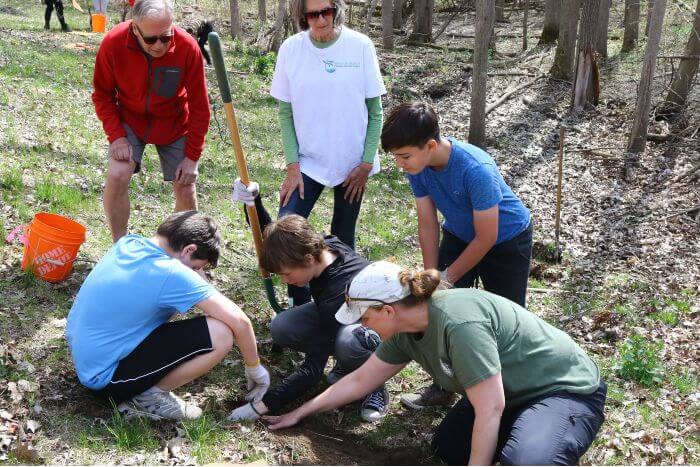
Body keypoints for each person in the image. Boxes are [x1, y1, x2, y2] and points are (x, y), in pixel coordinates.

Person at [264, 261, 607, 466]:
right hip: (508, 394)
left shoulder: (459, 324)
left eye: (364, 318)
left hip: (562, 390)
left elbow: (490, 409)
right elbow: (359, 381)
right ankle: (530, 431)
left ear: (388, 310)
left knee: (526, 462)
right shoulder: (403, 329)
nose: (361, 326)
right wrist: (301, 412)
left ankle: (546, 439)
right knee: (449, 447)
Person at [380, 101, 534, 410]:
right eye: (395, 157)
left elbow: (487, 236)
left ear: (431, 145)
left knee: (506, 318)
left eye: (405, 156)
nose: (400, 164)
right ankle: (443, 386)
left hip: (507, 240)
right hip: (460, 235)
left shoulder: (475, 169)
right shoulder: (417, 166)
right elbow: (427, 223)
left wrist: (449, 276)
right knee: (442, 312)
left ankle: (512, 396)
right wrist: (431, 277)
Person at [66, 211, 270, 421]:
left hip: (87, 360)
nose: (195, 274)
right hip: (107, 380)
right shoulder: (171, 272)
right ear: (189, 249)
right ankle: (147, 397)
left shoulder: (130, 243)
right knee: (221, 334)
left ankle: (142, 388)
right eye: (196, 268)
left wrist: (194, 271)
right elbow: (240, 322)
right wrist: (254, 368)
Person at [226, 181, 389, 423]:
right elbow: (276, 238)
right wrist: (254, 202)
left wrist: (261, 406)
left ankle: (374, 383)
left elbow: (312, 369)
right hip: (341, 312)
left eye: (287, 274)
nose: (284, 280)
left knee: (348, 343)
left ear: (309, 259)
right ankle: (348, 365)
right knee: (283, 326)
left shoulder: (337, 289)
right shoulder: (319, 244)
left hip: (378, 327)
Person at [271, 0, 386, 252]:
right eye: (313, 15)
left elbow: (375, 112)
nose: (321, 20)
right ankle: (298, 293)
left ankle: (341, 291)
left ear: (337, 9)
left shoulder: (360, 46)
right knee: (285, 231)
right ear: (303, 16)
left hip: (353, 162)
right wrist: (292, 166)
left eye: (327, 12)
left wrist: (366, 163)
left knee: (343, 239)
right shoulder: (291, 50)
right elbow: (285, 113)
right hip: (308, 161)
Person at [92, 0, 211, 242]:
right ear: (134, 28)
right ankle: (119, 245)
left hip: (175, 123)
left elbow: (200, 107)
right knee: (117, 174)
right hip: (130, 120)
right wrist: (116, 136)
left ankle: (184, 253)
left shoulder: (188, 48)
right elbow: (102, 95)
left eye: (166, 37)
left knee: (185, 185)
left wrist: (192, 157)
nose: (160, 45)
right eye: (151, 39)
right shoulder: (113, 43)